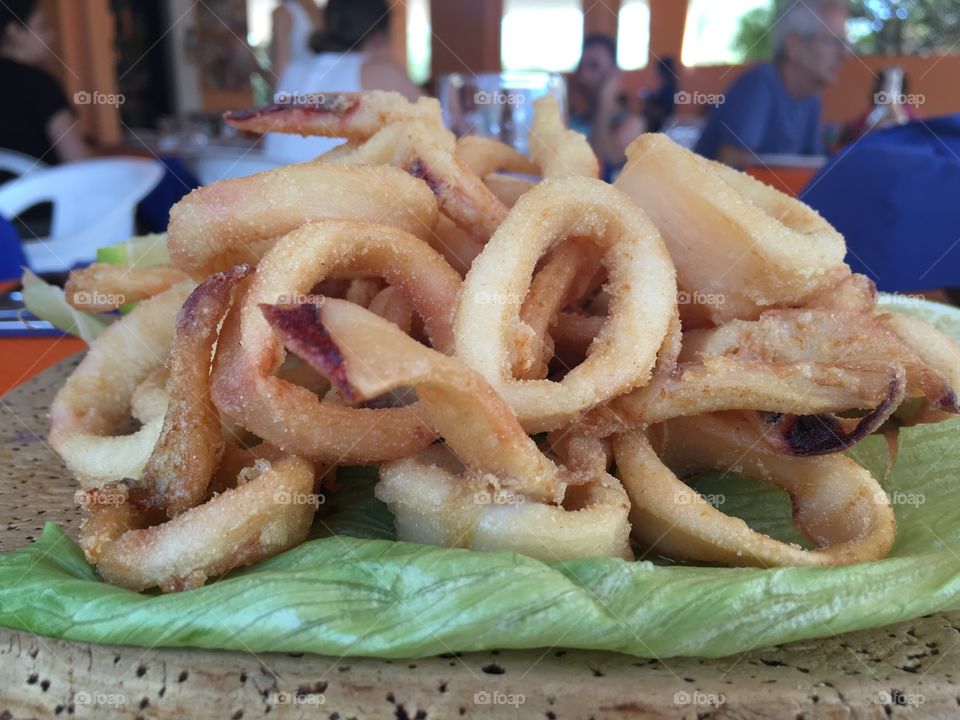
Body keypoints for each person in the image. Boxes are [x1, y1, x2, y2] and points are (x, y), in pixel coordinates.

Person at [695, 0, 849, 166]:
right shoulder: (758, 85)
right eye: (834, 42)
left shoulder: (812, 98)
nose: (845, 55)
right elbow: (729, 174)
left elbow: (812, 172)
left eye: (846, 44)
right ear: (794, 45)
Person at [266, 0, 422, 163]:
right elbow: (439, 129)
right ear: (379, 38)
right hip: (327, 186)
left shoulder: (291, 72)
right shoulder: (379, 73)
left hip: (274, 183)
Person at [0, 0, 90, 163]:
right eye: (43, 27)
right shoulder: (39, 83)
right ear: (14, 32)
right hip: (41, 186)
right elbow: (78, 160)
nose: (52, 36)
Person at [569, 34, 644, 179]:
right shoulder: (574, 119)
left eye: (594, 66)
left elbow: (605, 161)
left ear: (614, 74)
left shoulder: (632, 123)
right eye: (581, 67)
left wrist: (605, 102)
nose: (583, 76)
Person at [642, 57, 678, 134]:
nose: (656, 72)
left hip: (661, 123)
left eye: (657, 69)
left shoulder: (669, 87)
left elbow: (663, 109)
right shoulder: (666, 85)